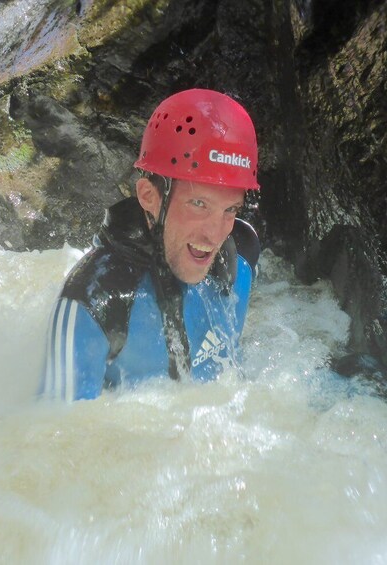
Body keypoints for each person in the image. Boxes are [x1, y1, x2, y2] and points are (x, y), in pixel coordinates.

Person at [39, 89, 261, 400]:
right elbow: (50, 434)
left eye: (230, 210)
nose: (214, 235)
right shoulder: (95, 299)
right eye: (198, 204)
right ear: (148, 196)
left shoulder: (242, 258)